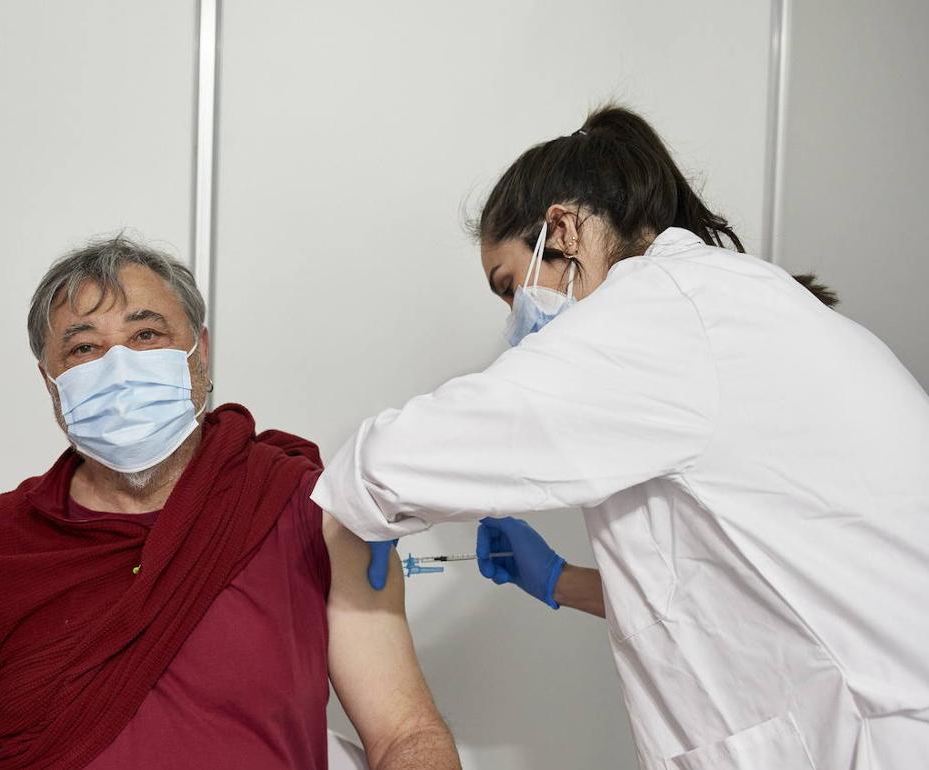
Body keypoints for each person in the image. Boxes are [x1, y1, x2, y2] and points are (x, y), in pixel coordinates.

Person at [312, 106, 929, 769]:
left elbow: (404, 457)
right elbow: (723, 587)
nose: (515, 322)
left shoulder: (665, 314)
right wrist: (555, 580)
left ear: (564, 229)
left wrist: (349, 501)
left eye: (511, 287)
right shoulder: (726, 307)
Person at [0, 236, 461, 770]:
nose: (118, 367)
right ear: (50, 382)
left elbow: (405, 734)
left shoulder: (302, 508)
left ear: (199, 354)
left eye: (147, 333)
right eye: (83, 347)